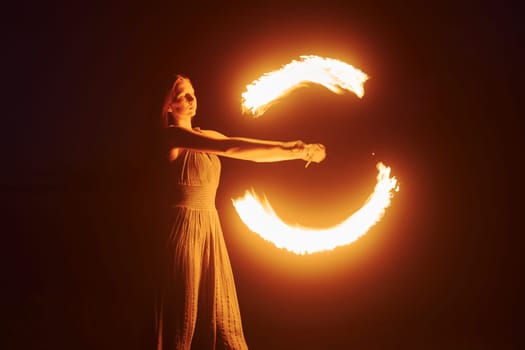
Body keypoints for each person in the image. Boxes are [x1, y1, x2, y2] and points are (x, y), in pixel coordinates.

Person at [156, 74, 326, 350]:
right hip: (183, 231)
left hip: (210, 228)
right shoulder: (171, 137)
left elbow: (246, 152)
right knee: (181, 319)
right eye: (182, 96)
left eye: (193, 93)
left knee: (224, 318)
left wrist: (297, 152)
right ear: (167, 105)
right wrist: (293, 148)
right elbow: (229, 146)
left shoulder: (206, 136)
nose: (190, 100)